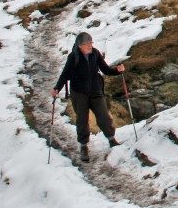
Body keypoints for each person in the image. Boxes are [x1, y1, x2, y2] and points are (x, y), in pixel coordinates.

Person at [51, 32, 124, 162]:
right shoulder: (73, 57)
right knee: (82, 120)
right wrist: (57, 88)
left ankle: (112, 139)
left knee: (104, 117)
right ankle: (84, 146)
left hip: (95, 91)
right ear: (79, 45)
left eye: (91, 43)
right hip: (79, 93)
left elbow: (105, 69)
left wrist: (117, 71)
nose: (89, 46)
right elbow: (64, 75)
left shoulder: (95, 54)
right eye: (86, 44)